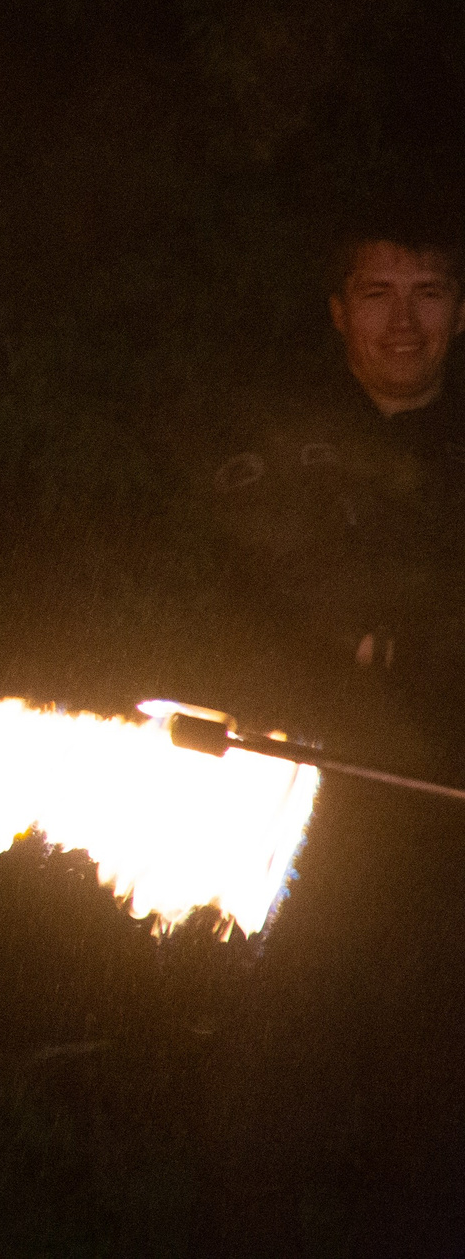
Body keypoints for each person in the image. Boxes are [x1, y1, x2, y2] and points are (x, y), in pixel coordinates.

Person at [191, 211, 465, 1257]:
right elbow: (224, 621)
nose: (403, 319)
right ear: (337, 311)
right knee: (250, 1134)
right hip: (291, 851)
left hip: (440, 865)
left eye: (427, 291)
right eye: (378, 292)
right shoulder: (271, 455)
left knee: (429, 1153)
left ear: (457, 312)